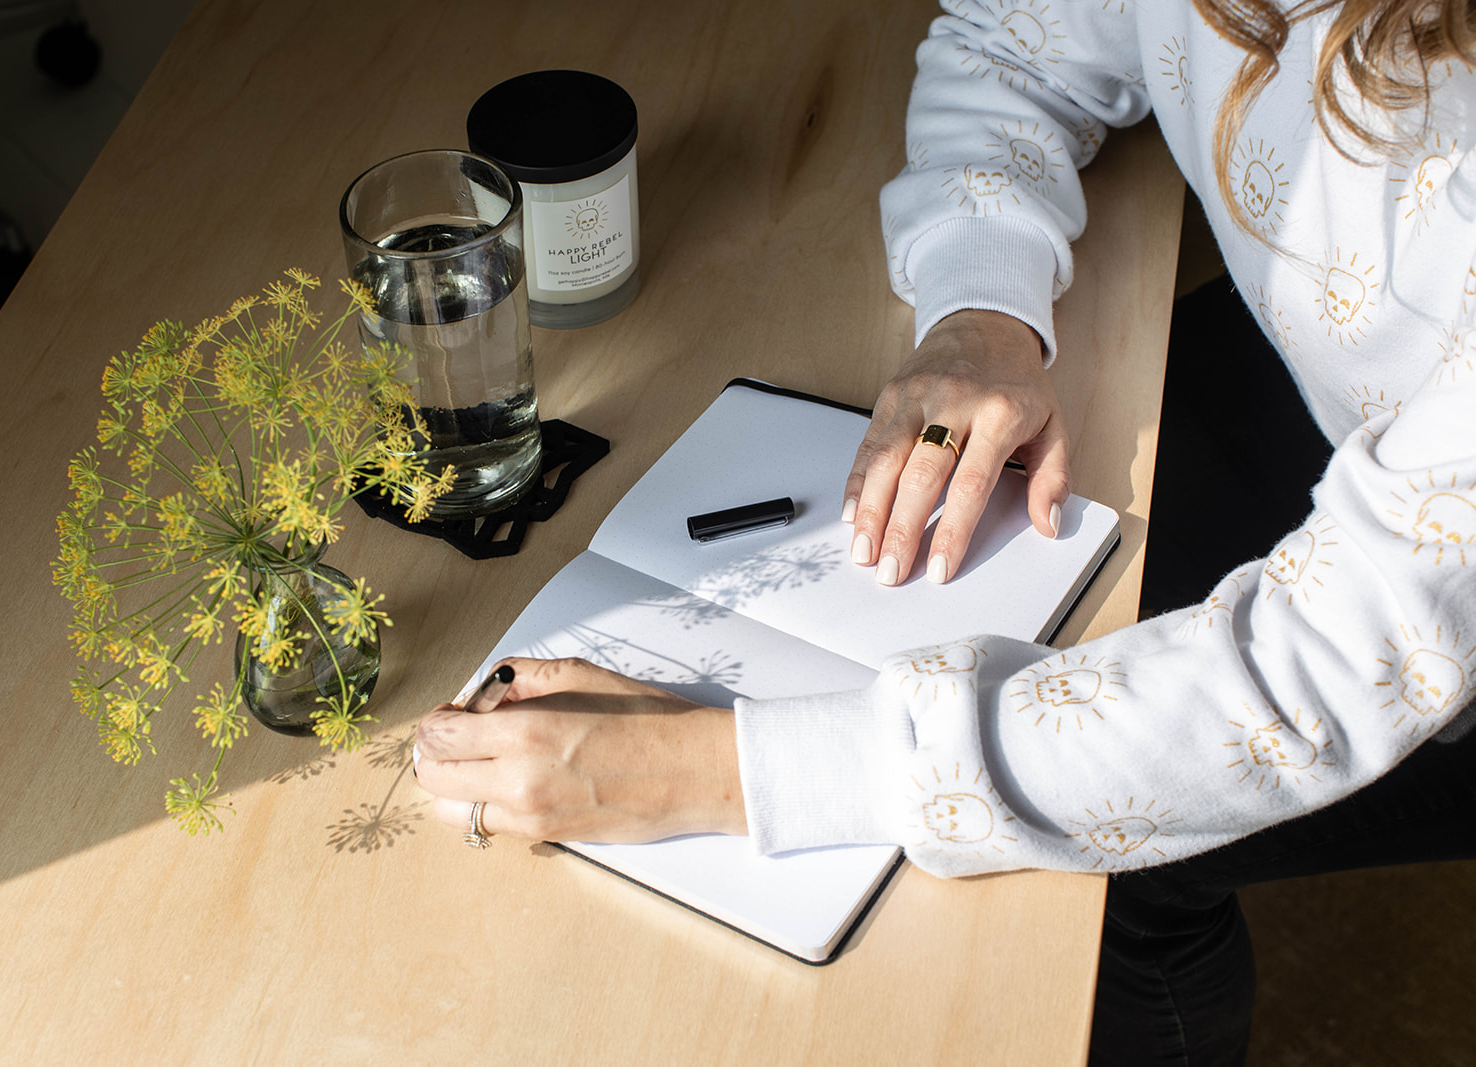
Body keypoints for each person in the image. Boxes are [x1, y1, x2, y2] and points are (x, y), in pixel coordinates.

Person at [415, 0, 1476, 1061]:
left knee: (1113, 896)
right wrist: (983, 310)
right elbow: (1012, 40)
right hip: (1341, 398)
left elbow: (1311, 679)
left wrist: (724, 772)